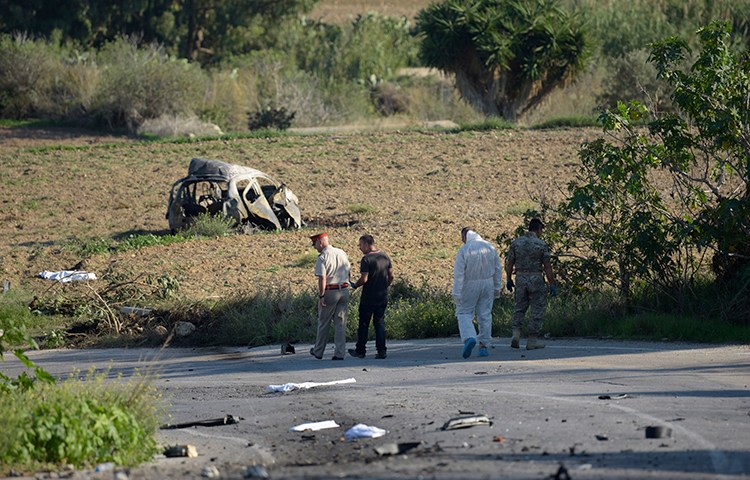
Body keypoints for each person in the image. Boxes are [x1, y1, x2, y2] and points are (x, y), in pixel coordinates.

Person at [505, 218, 557, 350]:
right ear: (538, 229)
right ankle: (532, 340)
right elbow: (547, 266)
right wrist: (552, 283)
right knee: (537, 309)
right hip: (536, 278)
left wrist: (509, 279)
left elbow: (510, 263)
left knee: (519, 307)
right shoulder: (541, 244)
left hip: (521, 278)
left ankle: (516, 335)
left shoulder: (516, 243)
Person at [452, 227, 503, 358]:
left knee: (464, 312)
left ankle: (469, 337)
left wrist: (456, 293)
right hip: (488, 283)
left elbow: (459, 274)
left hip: (469, 284)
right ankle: (484, 346)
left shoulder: (465, 250)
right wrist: (497, 288)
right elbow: (498, 269)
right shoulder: (490, 247)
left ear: (465, 236)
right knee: (485, 314)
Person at [348, 234, 394, 359]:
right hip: (382, 296)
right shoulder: (384, 256)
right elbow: (391, 276)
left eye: (360, 245)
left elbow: (364, 278)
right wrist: (385, 286)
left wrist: (355, 285)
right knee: (379, 323)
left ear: (367, 244)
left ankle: (360, 350)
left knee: (363, 324)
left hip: (368, 297)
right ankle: (381, 350)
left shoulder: (366, 259)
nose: (359, 248)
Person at [309, 232, 351, 360]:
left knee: (324, 322)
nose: (315, 247)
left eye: (315, 244)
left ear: (320, 242)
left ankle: (318, 351)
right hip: (344, 290)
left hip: (330, 291)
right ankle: (339, 353)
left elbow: (322, 278)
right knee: (340, 323)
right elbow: (348, 270)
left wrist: (321, 296)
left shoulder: (323, 257)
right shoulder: (341, 252)